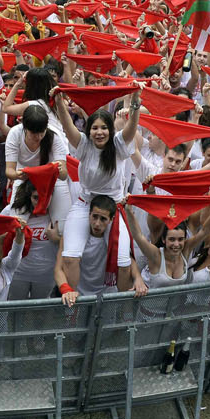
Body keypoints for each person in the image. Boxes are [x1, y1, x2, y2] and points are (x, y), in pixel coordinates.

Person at [54, 87, 139, 291]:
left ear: (110, 130)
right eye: (94, 128)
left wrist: (135, 100)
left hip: (113, 209)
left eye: (103, 128)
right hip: (85, 205)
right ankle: (75, 304)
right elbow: (67, 126)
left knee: (124, 264)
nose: (99, 132)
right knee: (70, 258)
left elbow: (132, 128)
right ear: (88, 130)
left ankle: (118, 308)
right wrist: (58, 101)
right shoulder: (83, 145)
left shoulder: (118, 144)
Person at [56, 194, 139, 305]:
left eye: (103, 219)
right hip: (79, 297)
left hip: (108, 297)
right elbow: (58, 269)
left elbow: (128, 261)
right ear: (89, 214)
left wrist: (138, 278)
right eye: (94, 216)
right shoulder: (72, 236)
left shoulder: (116, 238)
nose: (97, 223)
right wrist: (66, 290)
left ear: (111, 219)